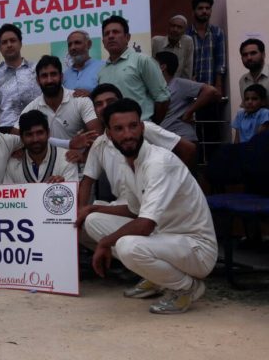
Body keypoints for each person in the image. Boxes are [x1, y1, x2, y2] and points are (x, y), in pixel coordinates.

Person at [78, 98, 217, 314]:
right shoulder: (128, 162)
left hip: (196, 249)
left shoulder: (158, 163)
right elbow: (133, 211)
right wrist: (94, 209)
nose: (128, 134)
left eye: (133, 126)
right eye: (119, 129)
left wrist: (105, 243)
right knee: (94, 221)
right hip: (163, 239)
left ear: (142, 127)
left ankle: (186, 288)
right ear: (109, 134)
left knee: (127, 246)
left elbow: (144, 225)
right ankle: (157, 277)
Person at [78, 83, 196, 207]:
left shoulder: (143, 129)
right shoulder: (99, 143)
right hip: (126, 206)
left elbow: (188, 149)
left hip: (156, 202)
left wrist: (174, 185)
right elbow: (87, 182)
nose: (105, 107)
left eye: (110, 101)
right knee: (92, 216)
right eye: (99, 104)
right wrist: (81, 212)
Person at [98, 15, 170, 123]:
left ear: (127, 37)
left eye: (116, 32)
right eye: (106, 34)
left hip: (143, 127)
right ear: (103, 41)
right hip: (114, 130)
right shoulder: (102, 71)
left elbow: (163, 99)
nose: (111, 36)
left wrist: (148, 125)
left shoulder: (142, 61)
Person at [16, 55, 102, 145]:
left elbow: (97, 136)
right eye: (44, 76)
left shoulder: (80, 101)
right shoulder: (32, 107)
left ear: (61, 77)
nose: (49, 80)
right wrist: (68, 144)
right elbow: (15, 136)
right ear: (38, 80)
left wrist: (79, 152)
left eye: (53, 74)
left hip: (79, 154)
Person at [0, 24, 41, 132]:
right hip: (6, 130)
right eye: (4, 42)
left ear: (20, 43)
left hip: (37, 128)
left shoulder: (37, 69)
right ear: (0, 48)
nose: (9, 45)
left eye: (13, 40)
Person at [155, 51, 220, 144]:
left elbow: (210, 91)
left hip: (182, 138)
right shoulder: (156, 88)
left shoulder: (179, 83)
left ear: (163, 67)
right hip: (165, 140)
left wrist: (189, 112)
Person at [4, 110, 78, 184]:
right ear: (21, 137)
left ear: (48, 133)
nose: (35, 139)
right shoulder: (13, 164)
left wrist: (63, 185)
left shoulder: (67, 158)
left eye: (40, 133)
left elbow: (72, 190)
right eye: (29, 134)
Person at [187, 0, 226, 93]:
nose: (204, 11)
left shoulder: (217, 32)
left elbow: (220, 61)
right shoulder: (186, 34)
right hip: (190, 87)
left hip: (211, 88)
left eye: (207, 8)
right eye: (200, 8)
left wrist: (218, 85)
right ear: (193, 12)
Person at [63, 30, 104, 96]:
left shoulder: (103, 67)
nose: (72, 47)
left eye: (77, 43)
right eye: (69, 45)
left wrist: (91, 96)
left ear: (89, 44)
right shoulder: (65, 75)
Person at [151, 15, 194, 79]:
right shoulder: (156, 42)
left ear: (184, 31)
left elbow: (187, 70)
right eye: (173, 26)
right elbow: (150, 66)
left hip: (178, 84)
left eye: (179, 27)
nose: (175, 29)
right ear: (168, 27)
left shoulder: (187, 42)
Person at [238, 38, 269, 103]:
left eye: (253, 53)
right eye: (245, 55)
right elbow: (247, 106)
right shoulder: (243, 80)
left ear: (263, 55)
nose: (249, 58)